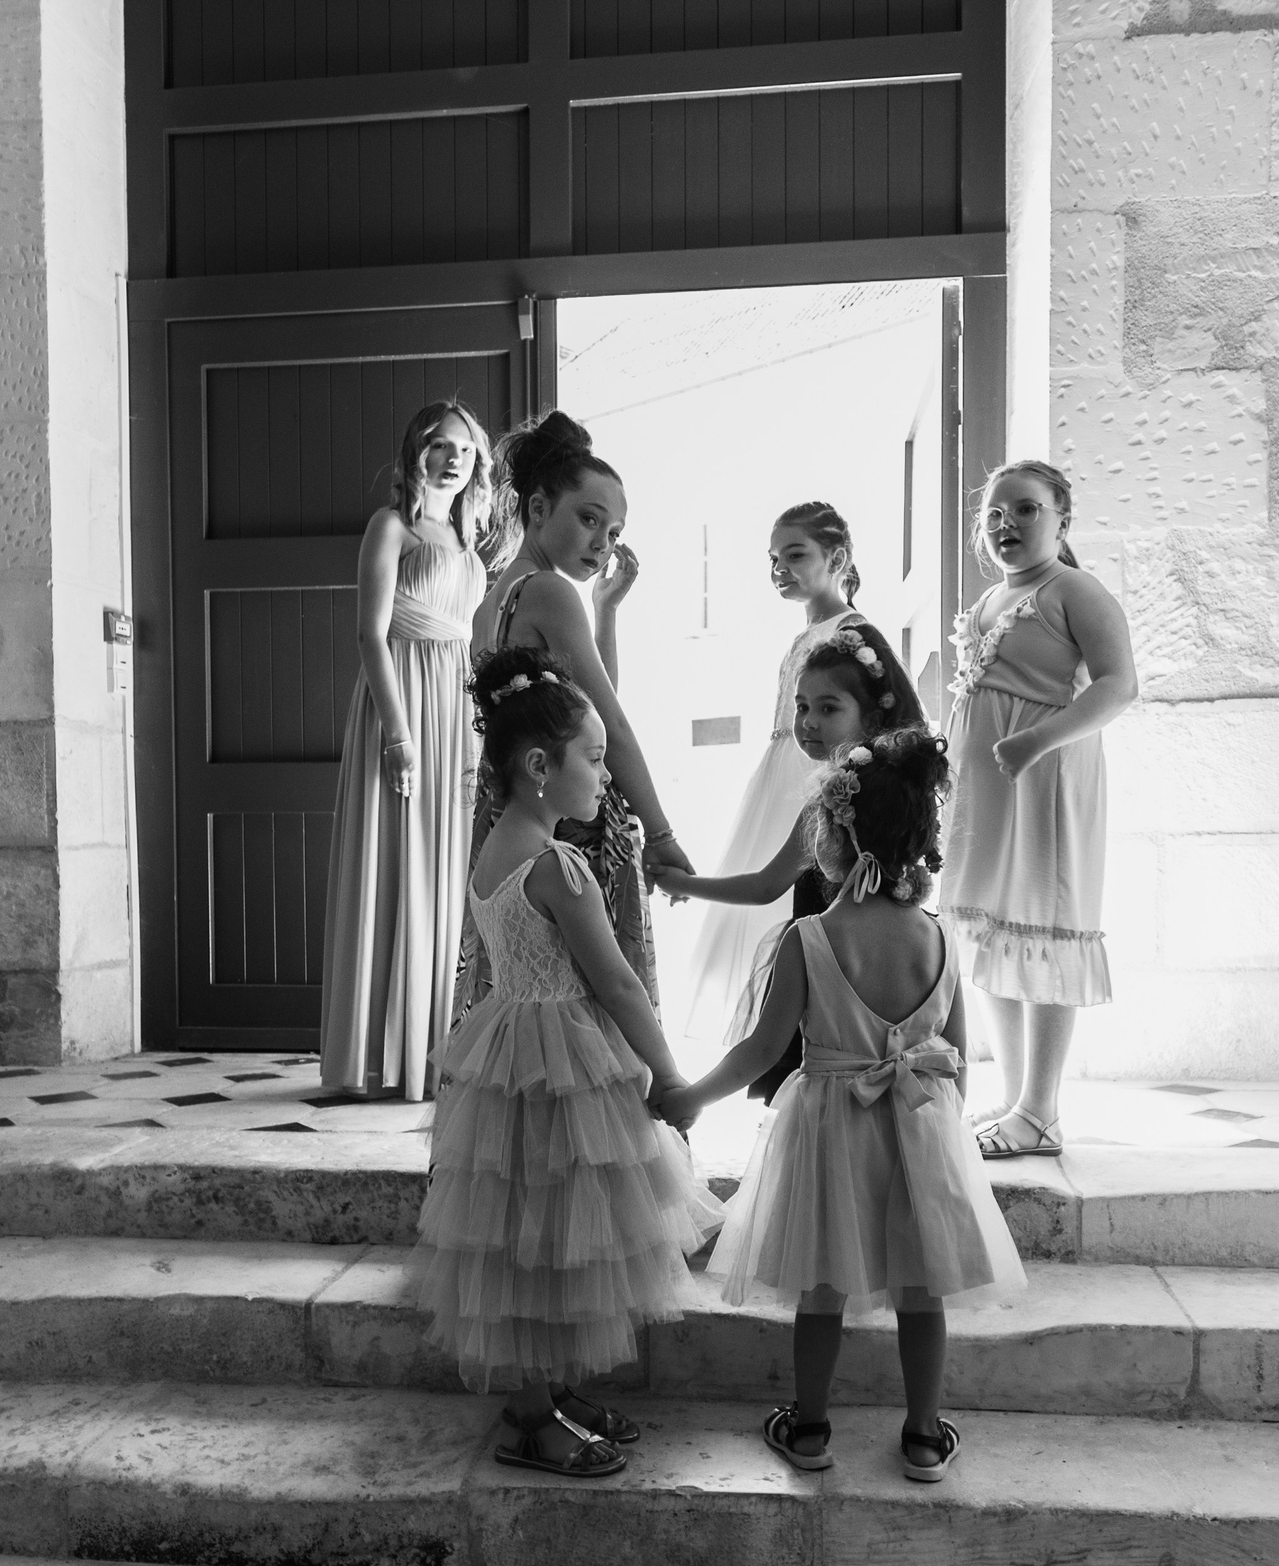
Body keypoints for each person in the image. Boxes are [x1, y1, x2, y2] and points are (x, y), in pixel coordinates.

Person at [662, 729, 1023, 1481]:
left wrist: (693, 1097)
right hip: (918, 1130)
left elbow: (762, 1052)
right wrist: (933, 1130)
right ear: (922, 842)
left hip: (830, 1134)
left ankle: (811, 1429)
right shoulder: (940, 941)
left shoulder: (811, 938)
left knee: (821, 1290)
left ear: (833, 835)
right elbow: (957, 1060)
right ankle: (924, 1434)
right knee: (923, 1293)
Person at [410, 648, 723, 1478]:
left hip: (512, 1045)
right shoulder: (557, 867)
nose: (604, 775)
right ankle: (528, 1418)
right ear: (540, 767)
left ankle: (551, 1394)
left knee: (535, 1236)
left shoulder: (493, 853)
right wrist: (667, 1076)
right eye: (594, 758)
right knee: (548, 1239)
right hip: (559, 1058)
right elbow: (617, 981)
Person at [460, 412, 693, 1009]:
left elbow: (581, 711)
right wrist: (661, 832)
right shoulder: (548, 590)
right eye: (589, 519)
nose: (602, 542)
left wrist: (606, 610)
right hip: (567, 822)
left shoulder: (496, 598)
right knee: (593, 1001)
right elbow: (608, 725)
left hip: (510, 818)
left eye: (614, 532)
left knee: (527, 995)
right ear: (538, 510)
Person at [942, 460, 1138, 1160]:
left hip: (1047, 776)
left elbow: (1119, 685)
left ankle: (1042, 1109)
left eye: (1024, 510)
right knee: (991, 929)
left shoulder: (1074, 589)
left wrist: (1037, 740)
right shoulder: (994, 598)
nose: (1006, 525)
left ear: (1061, 518)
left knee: (1045, 924)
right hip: (988, 787)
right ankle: (1016, 1093)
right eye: (994, 515)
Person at [652, 618, 926, 1103]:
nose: (808, 722)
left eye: (828, 707)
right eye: (801, 706)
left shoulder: (835, 807)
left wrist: (683, 884)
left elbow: (764, 886)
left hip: (830, 971)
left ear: (873, 716)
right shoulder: (883, 799)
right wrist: (685, 884)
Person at [317, 400, 495, 1100]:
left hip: (456, 706)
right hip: (403, 702)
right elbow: (370, 633)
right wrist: (397, 733)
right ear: (413, 453)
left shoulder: (466, 542)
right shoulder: (390, 526)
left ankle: (432, 1052)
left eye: (463, 449)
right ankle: (375, 1055)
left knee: (448, 867)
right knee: (398, 860)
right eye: (437, 444)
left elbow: (468, 638)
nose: (452, 458)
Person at [677, 501, 868, 1044]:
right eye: (773, 558)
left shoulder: (852, 633)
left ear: (838, 558)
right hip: (780, 772)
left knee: (805, 900)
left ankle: (818, 1030)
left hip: (814, 775)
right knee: (774, 907)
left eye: (795, 554)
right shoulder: (805, 633)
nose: (779, 568)